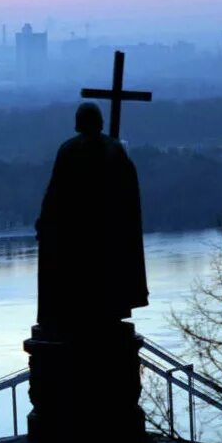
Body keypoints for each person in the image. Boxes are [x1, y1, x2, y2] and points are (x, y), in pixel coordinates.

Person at [35, 102, 148, 333]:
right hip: (106, 232)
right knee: (103, 278)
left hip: (76, 232)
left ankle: (75, 311)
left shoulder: (69, 150)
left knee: (80, 279)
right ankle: (106, 309)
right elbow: (127, 196)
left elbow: (55, 191)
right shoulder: (114, 150)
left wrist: (45, 221)